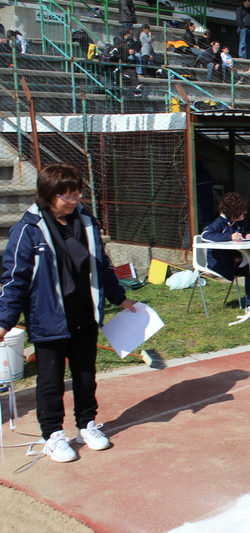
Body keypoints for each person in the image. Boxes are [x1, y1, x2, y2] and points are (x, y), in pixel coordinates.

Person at [0, 163, 138, 463]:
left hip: (84, 314)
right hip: (48, 318)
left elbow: (102, 265)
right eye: (65, 195)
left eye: (76, 193)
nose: (73, 200)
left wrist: (119, 298)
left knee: (86, 376)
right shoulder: (27, 230)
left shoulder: (87, 222)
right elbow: (15, 279)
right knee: (50, 381)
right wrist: (4, 321)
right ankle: (52, 436)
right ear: (49, 195)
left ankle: (87, 425)